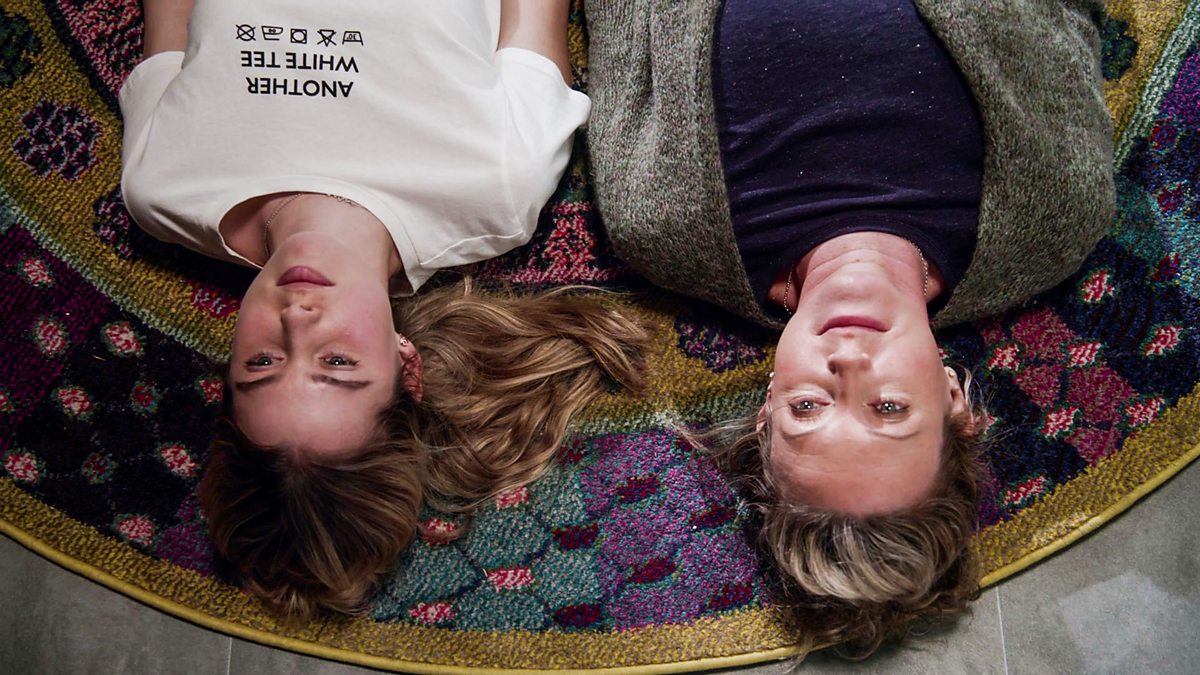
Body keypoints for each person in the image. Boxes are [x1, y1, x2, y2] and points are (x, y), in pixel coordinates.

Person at [586, 0, 1114, 654]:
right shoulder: (1056, 212)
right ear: (955, 402)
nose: (848, 366)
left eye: (808, 407)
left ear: (768, 407)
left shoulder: (661, 223)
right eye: (888, 407)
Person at [121, 0, 647, 616]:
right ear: (407, 365)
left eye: (262, 363)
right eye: (337, 363)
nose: (297, 319)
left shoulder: (163, 186)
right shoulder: (495, 191)